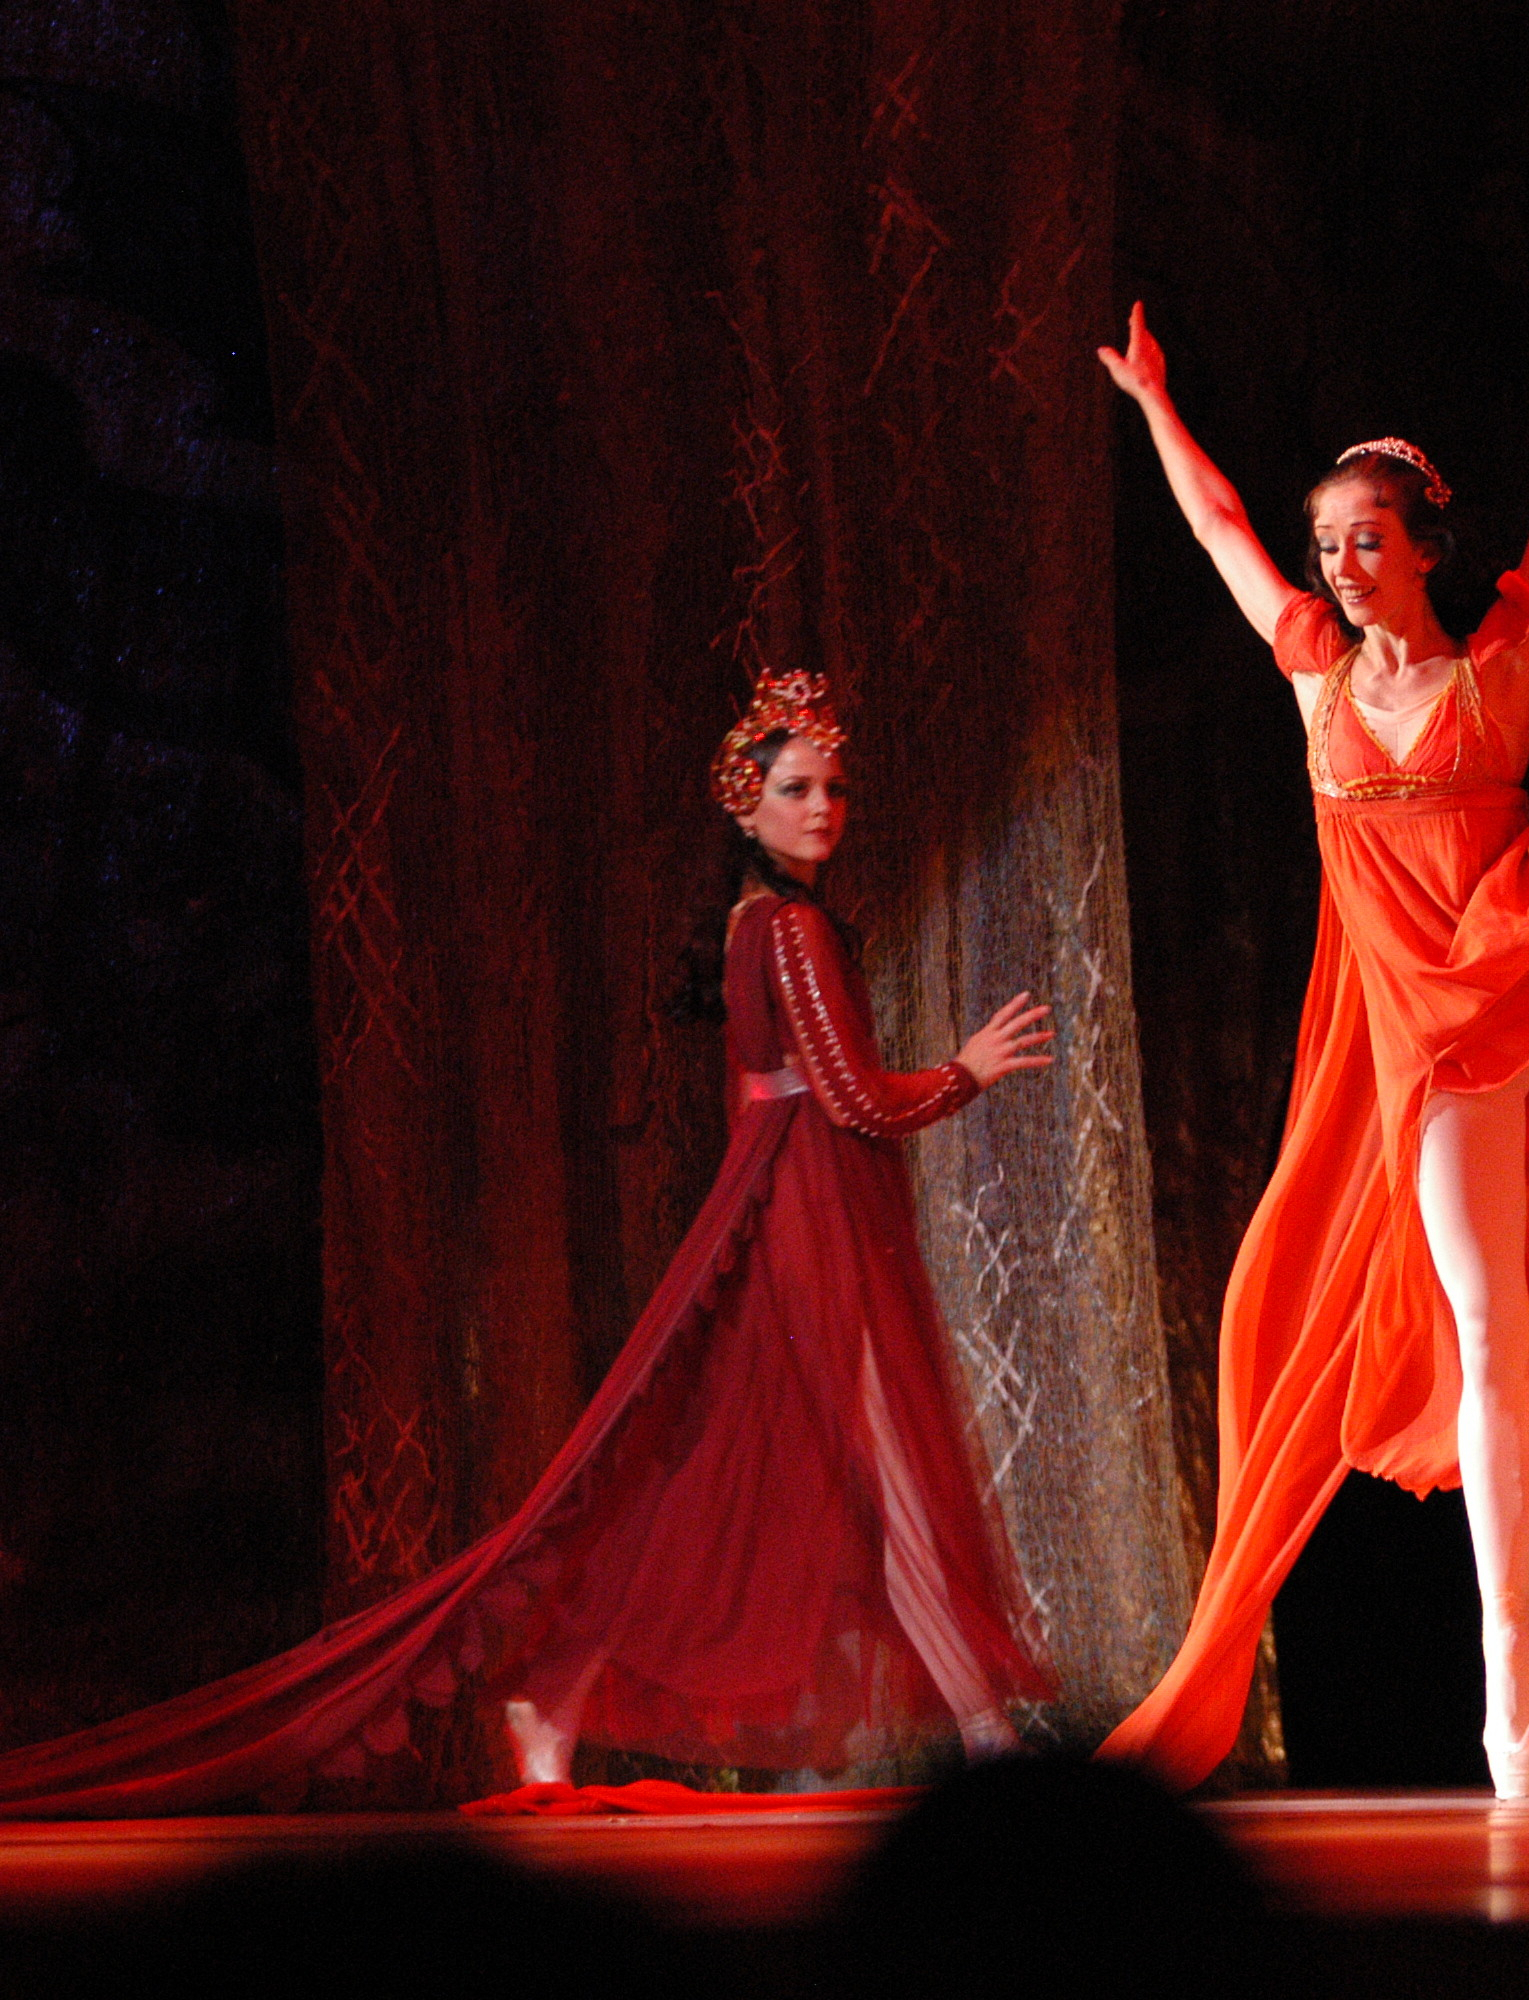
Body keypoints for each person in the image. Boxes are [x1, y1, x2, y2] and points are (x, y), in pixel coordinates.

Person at [0, 671, 1057, 1814]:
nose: (823, 809)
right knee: (878, 1478)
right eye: (797, 788)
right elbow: (851, 1097)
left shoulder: (760, 923)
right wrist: (966, 1070)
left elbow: (786, 1099)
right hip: (810, 1226)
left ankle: (555, 1695)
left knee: (705, 1495)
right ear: (744, 805)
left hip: (793, 1220)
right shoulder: (789, 927)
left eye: (835, 788)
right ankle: (985, 1733)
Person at [1091, 185, 1529, 1798]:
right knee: (1481, 1329)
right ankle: (1508, 1659)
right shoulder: (1314, 675)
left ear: (1420, 548)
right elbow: (1218, 530)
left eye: (1364, 540)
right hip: (1433, 1044)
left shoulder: (1495, 662)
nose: (1337, 567)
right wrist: (1158, 409)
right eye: (1326, 545)